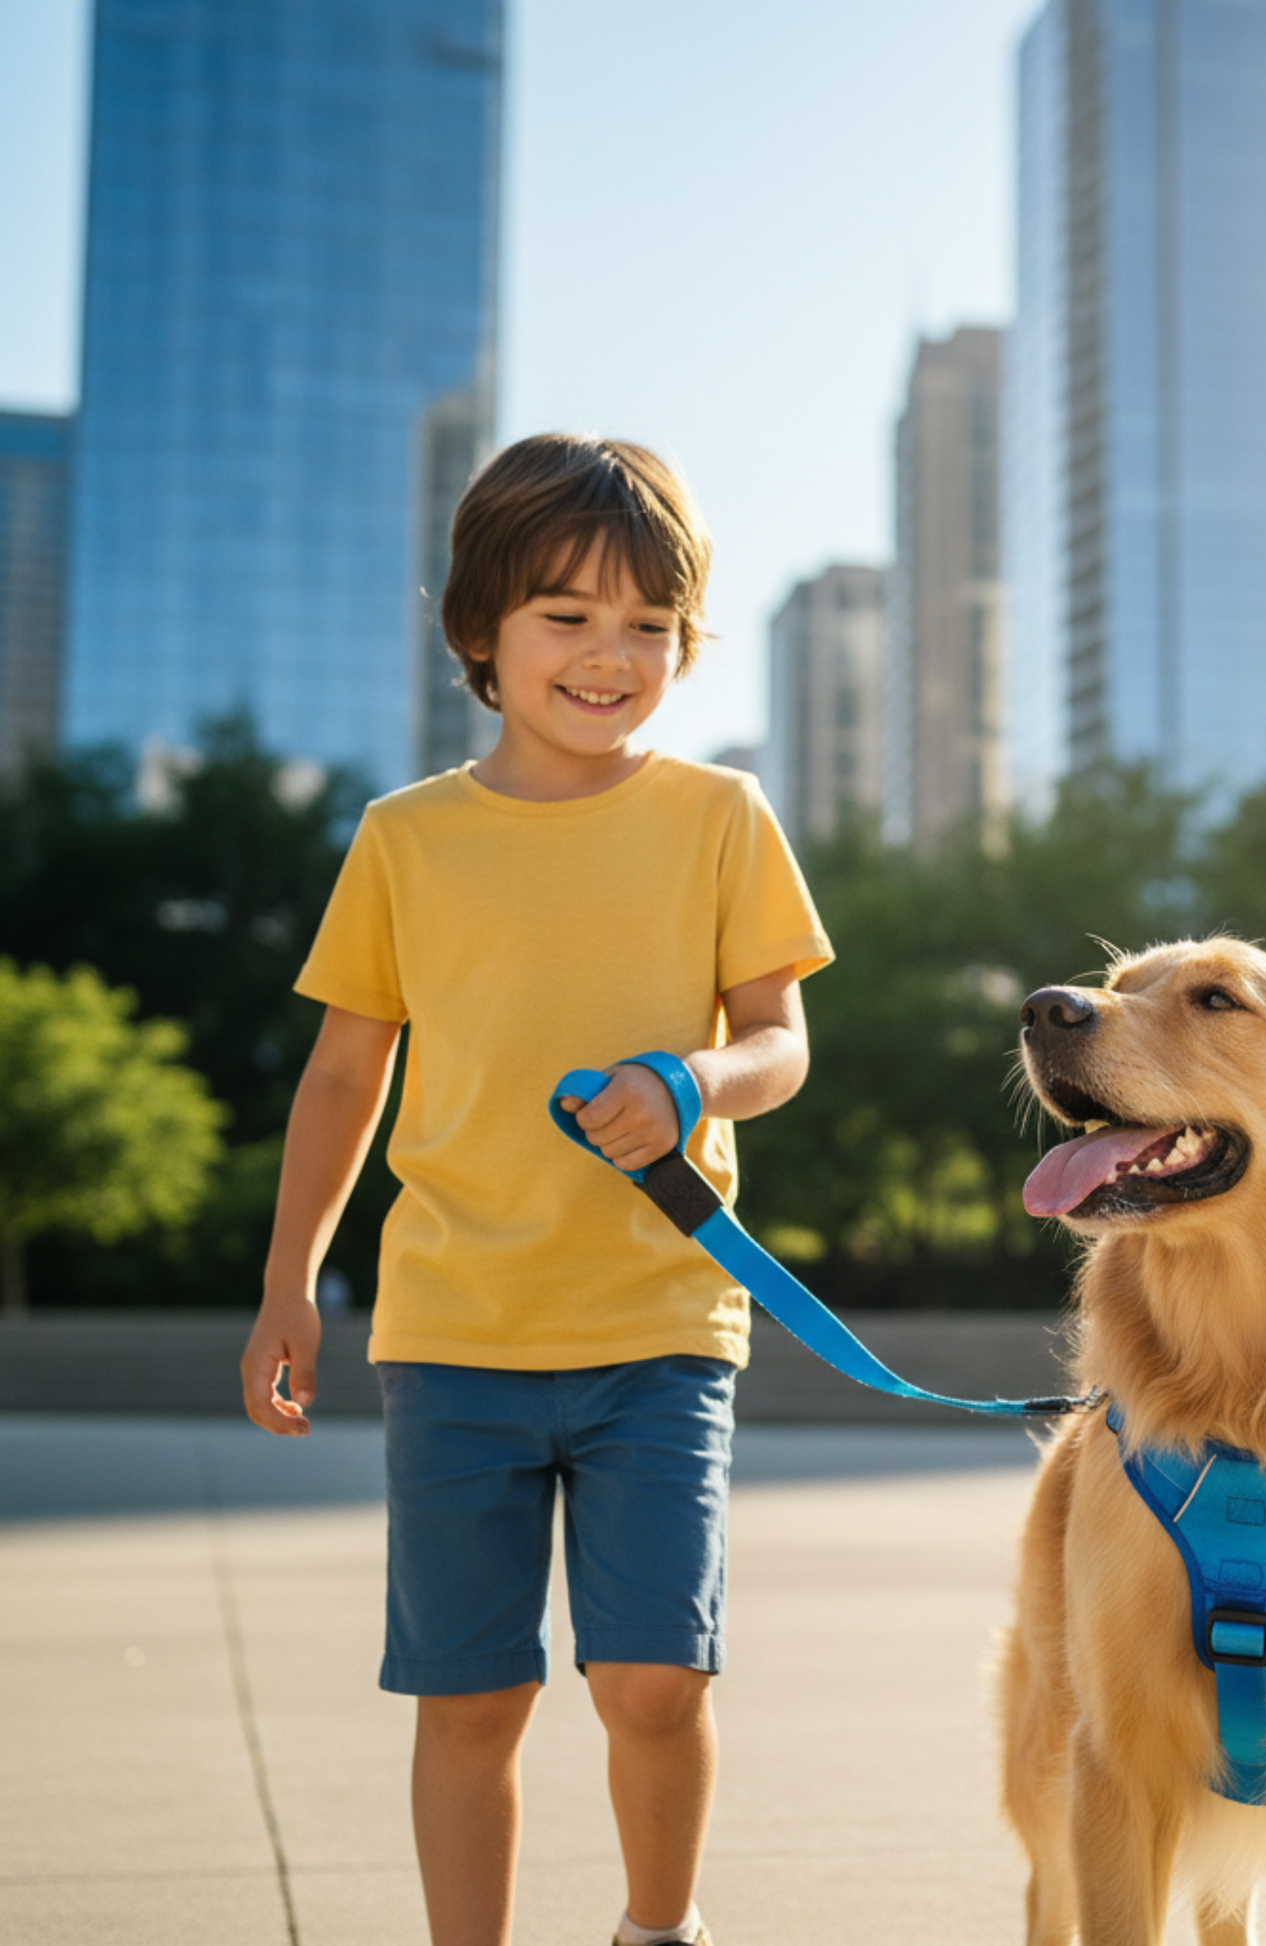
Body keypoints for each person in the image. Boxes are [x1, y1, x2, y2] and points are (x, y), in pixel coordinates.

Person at [240, 434, 831, 1946]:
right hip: (454, 1328)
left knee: (654, 1674)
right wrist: (289, 1279)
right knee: (469, 1692)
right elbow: (338, 1078)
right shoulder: (405, 839)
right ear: (479, 630)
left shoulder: (720, 817)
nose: (609, 654)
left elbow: (779, 1041)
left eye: (648, 624)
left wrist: (693, 1081)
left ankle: (656, 1930)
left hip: (659, 1323)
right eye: (567, 615)